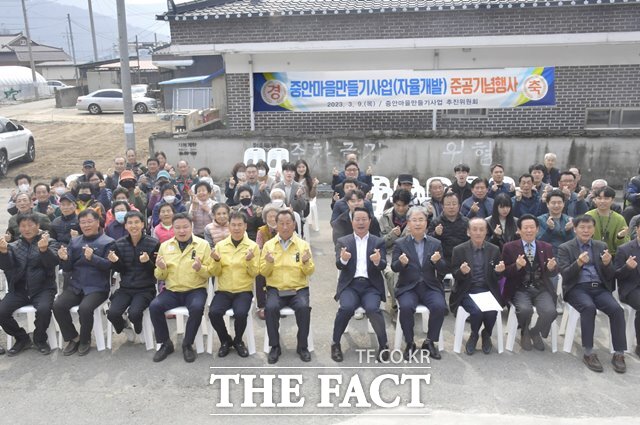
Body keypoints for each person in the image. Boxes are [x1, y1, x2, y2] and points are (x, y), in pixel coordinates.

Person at [557, 215, 627, 373]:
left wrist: (608, 264)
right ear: (575, 229)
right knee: (588, 308)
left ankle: (619, 353)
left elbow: (610, 276)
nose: (586, 231)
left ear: (593, 229)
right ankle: (589, 352)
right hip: (577, 288)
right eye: (582, 227)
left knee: (617, 310)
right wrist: (579, 263)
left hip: (599, 288)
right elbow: (565, 275)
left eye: (589, 227)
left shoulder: (601, 246)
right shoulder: (565, 248)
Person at [150, 213, 214, 363]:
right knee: (155, 306)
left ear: (191, 226)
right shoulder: (165, 246)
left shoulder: (202, 245)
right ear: (173, 229)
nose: (182, 230)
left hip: (195, 289)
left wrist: (200, 268)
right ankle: (165, 343)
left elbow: (210, 272)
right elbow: (160, 275)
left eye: (185, 227)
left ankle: (187, 344)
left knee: (197, 308)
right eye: (177, 227)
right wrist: (161, 267)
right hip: (172, 290)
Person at [53, 209, 115, 356]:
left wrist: (93, 258)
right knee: (58, 305)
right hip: (76, 285)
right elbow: (67, 269)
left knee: (85, 309)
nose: (86, 225)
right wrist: (64, 259)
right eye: (82, 222)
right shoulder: (75, 241)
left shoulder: (108, 242)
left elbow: (110, 267)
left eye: (89, 221)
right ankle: (73, 337)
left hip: (97, 287)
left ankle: (85, 339)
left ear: (97, 222)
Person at [331, 207, 389, 362]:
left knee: (373, 309)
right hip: (350, 285)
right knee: (346, 308)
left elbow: (383, 264)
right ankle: (335, 343)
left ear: (370, 221)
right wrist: (344, 259)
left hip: (371, 286)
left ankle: (384, 345)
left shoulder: (378, 241)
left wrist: (377, 261)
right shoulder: (343, 241)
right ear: (352, 222)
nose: (361, 222)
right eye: (357, 219)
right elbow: (339, 265)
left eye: (364, 219)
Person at [392, 206, 448, 360]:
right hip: (408, 287)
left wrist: (437, 262)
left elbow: (443, 267)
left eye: (421, 220)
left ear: (426, 223)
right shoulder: (400, 243)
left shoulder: (435, 243)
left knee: (439, 306)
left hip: (430, 286)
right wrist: (401, 263)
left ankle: (430, 341)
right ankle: (410, 342)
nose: (417, 223)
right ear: (408, 223)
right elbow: (393, 267)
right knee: (406, 307)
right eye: (414, 220)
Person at [260, 210, 315, 364]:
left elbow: (310, 271)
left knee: (304, 308)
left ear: (294, 224)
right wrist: (269, 262)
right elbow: (263, 272)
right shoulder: (269, 245)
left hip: (298, 289)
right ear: (276, 225)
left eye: (288, 223)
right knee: (270, 308)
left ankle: (302, 346)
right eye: (281, 224)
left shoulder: (303, 245)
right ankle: (275, 346)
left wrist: (305, 262)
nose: (285, 227)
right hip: (275, 289)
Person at [0, 214, 59, 355]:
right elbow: (5, 266)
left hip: (43, 289)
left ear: (38, 226)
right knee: (1, 312)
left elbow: (53, 263)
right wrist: (3, 252)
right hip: (18, 290)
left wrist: (44, 250)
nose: (27, 229)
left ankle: (39, 339)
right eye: (23, 226)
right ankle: (22, 339)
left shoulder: (50, 242)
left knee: (44, 310)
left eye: (30, 225)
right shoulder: (13, 246)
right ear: (19, 228)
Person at [502, 214, 559, 351]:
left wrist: (551, 268)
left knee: (550, 312)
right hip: (520, 287)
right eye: (525, 228)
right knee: (525, 310)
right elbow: (504, 273)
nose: (529, 231)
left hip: (541, 287)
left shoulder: (546, 247)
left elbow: (553, 271)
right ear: (519, 230)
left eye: (532, 227)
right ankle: (525, 331)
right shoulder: (509, 247)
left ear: (537, 229)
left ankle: (534, 332)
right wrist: (516, 266)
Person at [450, 218, 505, 355]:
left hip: (488, 290)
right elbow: (455, 274)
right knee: (476, 311)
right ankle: (474, 334)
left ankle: (486, 334)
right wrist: (462, 272)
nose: (478, 232)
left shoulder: (494, 249)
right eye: (474, 229)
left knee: (492, 310)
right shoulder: (459, 250)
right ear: (468, 232)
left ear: (486, 231)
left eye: (482, 229)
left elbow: (496, 276)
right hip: (468, 290)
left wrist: (499, 272)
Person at [208, 212, 260, 358]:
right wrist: (216, 261)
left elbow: (255, 272)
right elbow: (214, 272)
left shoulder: (253, 246)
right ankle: (225, 340)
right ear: (229, 226)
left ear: (245, 226)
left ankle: (238, 341)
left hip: (243, 290)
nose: (236, 228)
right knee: (213, 313)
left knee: (241, 313)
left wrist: (249, 260)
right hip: (223, 290)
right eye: (233, 225)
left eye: (240, 225)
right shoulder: (220, 245)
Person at [106, 211, 160, 339]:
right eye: (130, 223)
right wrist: (115, 262)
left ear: (143, 224)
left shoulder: (154, 243)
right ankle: (123, 326)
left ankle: (138, 328)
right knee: (112, 314)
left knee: (134, 313)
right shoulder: (119, 243)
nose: (133, 226)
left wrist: (147, 262)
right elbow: (121, 270)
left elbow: (156, 271)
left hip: (146, 289)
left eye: (137, 222)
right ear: (125, 226)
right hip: (125, 288)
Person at [427, 191, 470, 278]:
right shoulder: (436, 222)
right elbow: (428, 242)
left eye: (454, 204)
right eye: (448, 204)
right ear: (442, 206)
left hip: (462, 260)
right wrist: (436, 234)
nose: (451, 207)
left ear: (459, 206)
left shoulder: (466, 222)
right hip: (443, 260)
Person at [614, 219, 640, 358]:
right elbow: (616, 274)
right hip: (631, 289)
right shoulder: (624, 249)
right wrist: (628, 267)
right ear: (637, 229)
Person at [585, 186, 629, 256]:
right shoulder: (588, 216)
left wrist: (620, 237)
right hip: (590, 254)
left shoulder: (619, 219)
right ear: (594, 200)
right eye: (599, 198)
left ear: (612, 200)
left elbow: (625, 245)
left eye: (606, 198)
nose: (602, 201)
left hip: (613, 255)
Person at [255, 204, 280, 320]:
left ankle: (280, 303)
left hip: (281, 260)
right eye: (269, 216)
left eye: (275, 216)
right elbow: (258, 248)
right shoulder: (261, 231)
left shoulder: (283, 228)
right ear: (265, 217)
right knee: (260, 274)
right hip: (265, 259)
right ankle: (261, 306)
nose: (272, 218)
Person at [537, 189, 575, 256]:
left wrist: (568, 231)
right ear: (547, 204)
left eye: (559, 203)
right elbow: (539, 242)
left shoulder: (569, 220)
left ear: (563, 204)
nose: (556, 205)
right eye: (553, 203)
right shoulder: (540, 220)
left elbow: (574, 243)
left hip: (566, 254)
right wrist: (549, 230)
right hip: (546, 254)